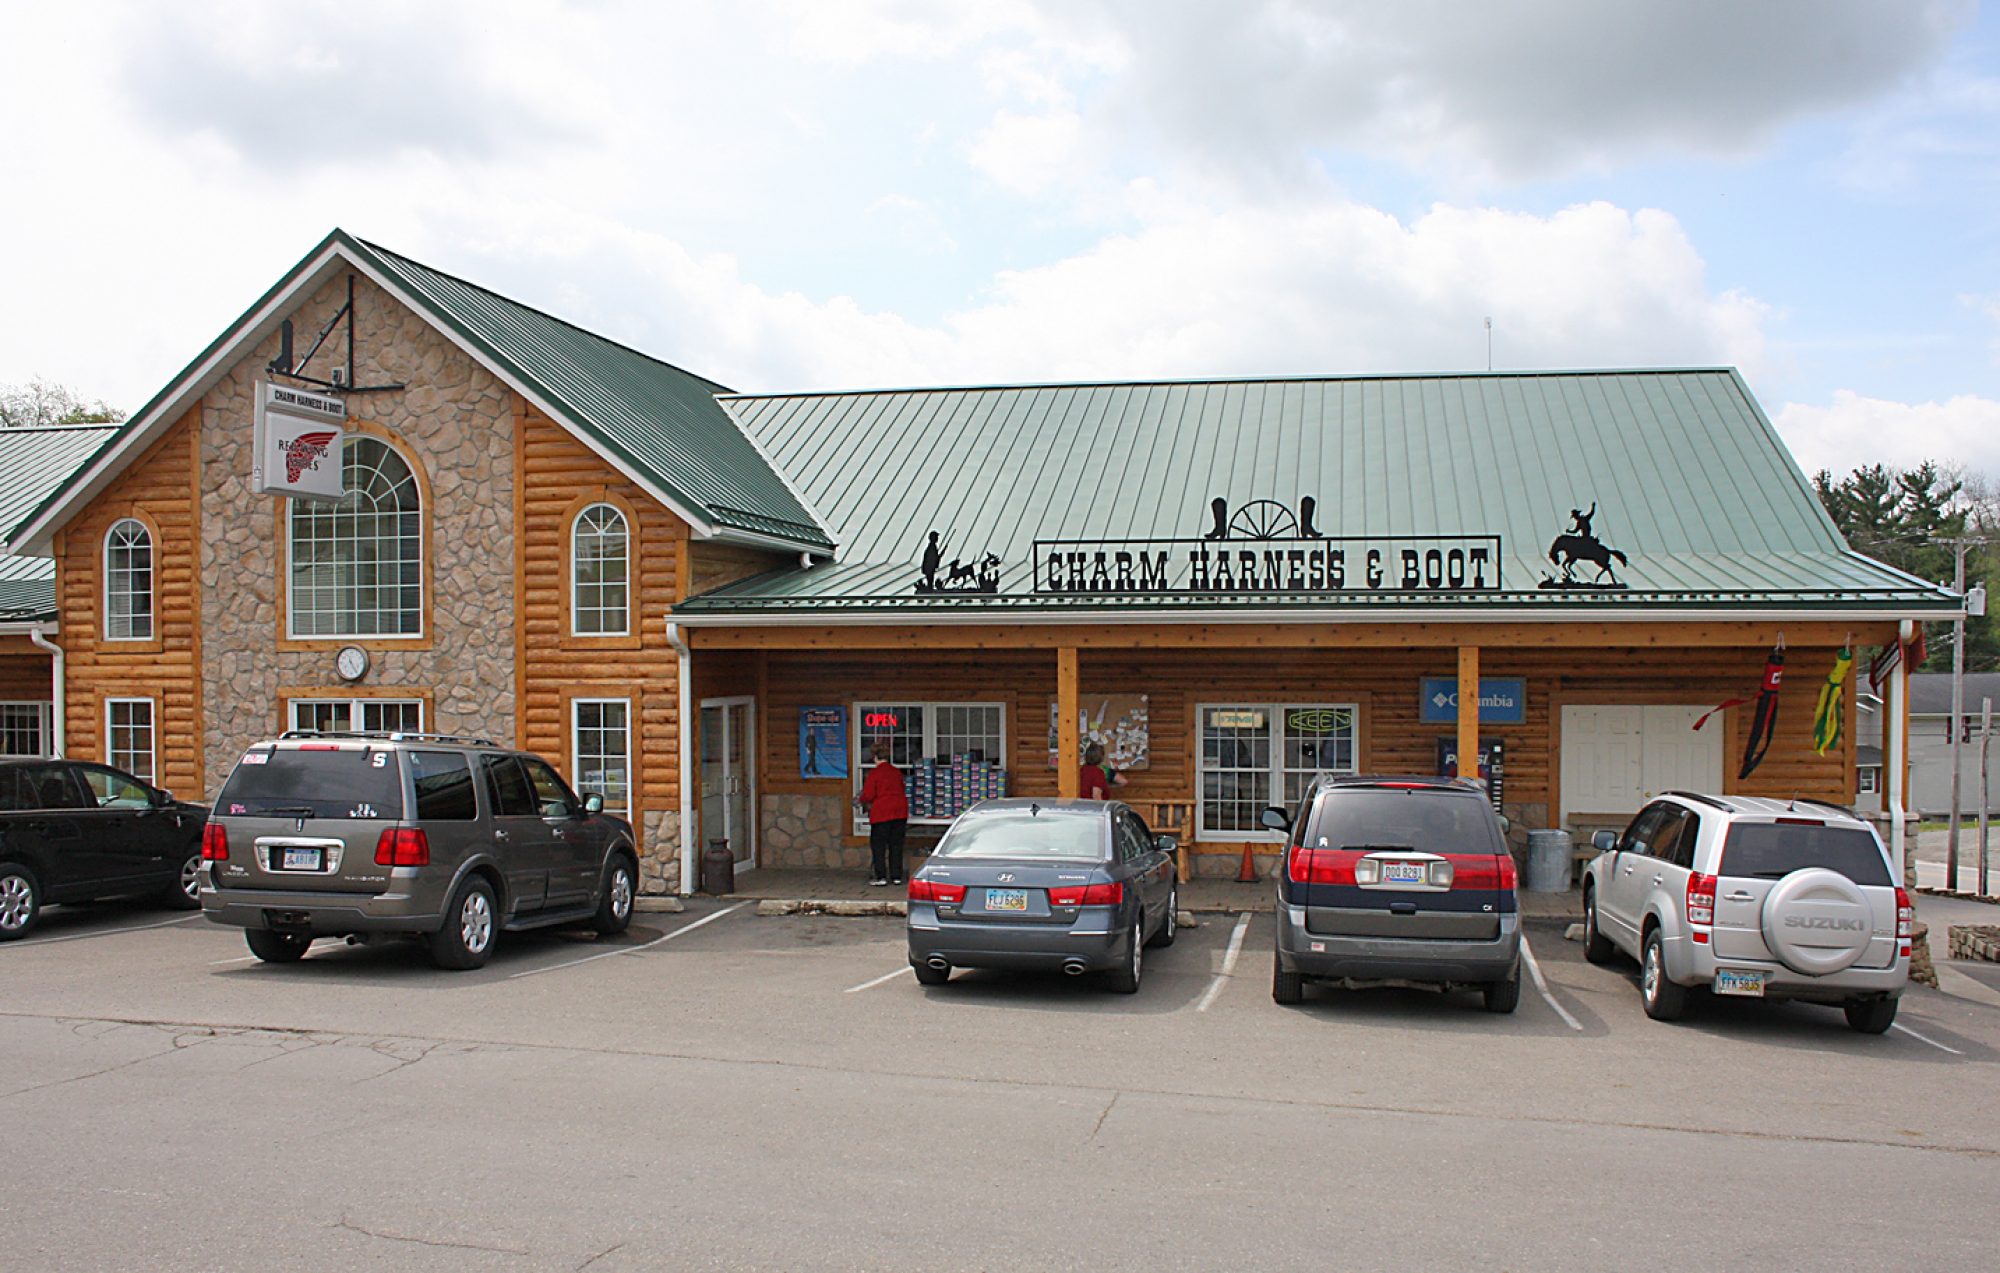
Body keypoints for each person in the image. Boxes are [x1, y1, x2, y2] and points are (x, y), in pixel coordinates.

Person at [856, 742, 908, 886]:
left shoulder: (875, 773)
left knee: (879, 846)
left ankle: (881, 876)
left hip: (882, 813)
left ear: (874, 757)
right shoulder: (896, 772)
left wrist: (860, 800)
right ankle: (896, 876)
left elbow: (868, 795)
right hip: (900, 811)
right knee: (896, 845)